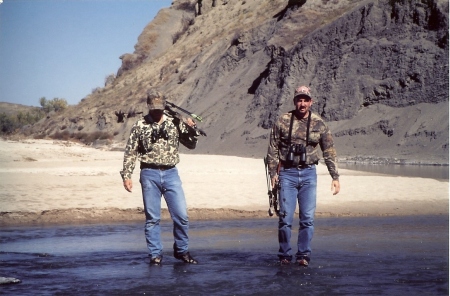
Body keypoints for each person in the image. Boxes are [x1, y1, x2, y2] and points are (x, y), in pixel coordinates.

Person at [120, 89, 200, 265]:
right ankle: (155, 255)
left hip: (171, 173)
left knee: (181, 216)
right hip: (149, 174)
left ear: (164, 106)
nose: (157, 111)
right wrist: (127, 175)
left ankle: (181, 250)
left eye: (159, 108)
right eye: (154, 108)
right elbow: (131, 152)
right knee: (153, 218)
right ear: (149, 106)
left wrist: (191, 129)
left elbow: (191, 144)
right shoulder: (140, 125)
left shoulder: (174, 122)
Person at [266, 85, 340, 266]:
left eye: (305, 100)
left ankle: (303, 256)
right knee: (285, 218)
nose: (302, 103)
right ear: (295, 101)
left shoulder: (319, 123)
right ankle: (284, 254)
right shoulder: (282, 120)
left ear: (311, 102)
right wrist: (273, 174)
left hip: (308, 174)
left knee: (307, 218)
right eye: (299, 99)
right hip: (287, 174)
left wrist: (335, 176)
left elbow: (329, 150)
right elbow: (272, 148)